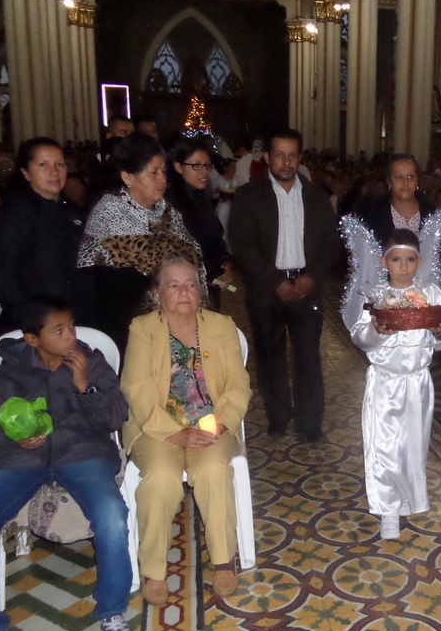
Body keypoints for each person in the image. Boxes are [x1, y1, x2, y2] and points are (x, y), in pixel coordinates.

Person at [0, 297, 135, 631]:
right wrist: (15, 438)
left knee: (112, 515)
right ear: (32, 339)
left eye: (72, 325)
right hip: (22, 459)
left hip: (81, 452)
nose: (71, 336)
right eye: (59, 330)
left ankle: (112, 612)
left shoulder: (90, 360)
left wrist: (85, 386)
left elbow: (116, 416)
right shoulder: (9, 372)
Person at [121, 258, 251, 605]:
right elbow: (136, 387)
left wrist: (221, 422)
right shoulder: (142, 329)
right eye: (173, 285)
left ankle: (223, 561)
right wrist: (174, 432)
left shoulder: (221, 326)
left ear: (201, 290)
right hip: (156, 427)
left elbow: (238, 384)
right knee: (161, 477)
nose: (183, 292)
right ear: (157, 292)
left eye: (191, 284)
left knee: (212, 469)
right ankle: (153, 570)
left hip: (211, 425)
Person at [227, 129, 337, 441]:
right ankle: (278, 416)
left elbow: (330, 243)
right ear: (267, 157)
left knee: (308, 356)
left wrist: (312, 277)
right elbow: (242, 243)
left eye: (292, 155)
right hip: (266, 288)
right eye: (279, 155)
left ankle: (309, 421)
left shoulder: (316, 196)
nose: (286, 162)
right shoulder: (249, 196)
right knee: (270, 354)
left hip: (306, 286)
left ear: (300, 158)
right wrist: (275, 281)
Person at [349, 229, 441, 540]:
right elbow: (360, 336)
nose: (403, 267)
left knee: (413, 445)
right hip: (386, 383)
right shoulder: (376, 296)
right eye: (396, 260)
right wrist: (377, 330)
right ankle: (388, 508)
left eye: (409, 260)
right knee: (385, 446)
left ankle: (408, 497)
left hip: (418, 383)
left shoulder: (431, 295)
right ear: (385, 262)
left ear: (418, 262)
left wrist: (440, 331)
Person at [77, 132, 202, 350]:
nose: (162, 179)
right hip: (127, 325)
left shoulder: (168, 212)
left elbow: (191, 255)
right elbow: (108, 285)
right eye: (153, 172)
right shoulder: (109, 214)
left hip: (175, 319)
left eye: (163, 171)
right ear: (128, 177)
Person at [0, 137, 85, 330]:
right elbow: (1, 278)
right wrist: (36, 320)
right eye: (43, 164)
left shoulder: (73, 211)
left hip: (75, 316)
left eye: (60, 164)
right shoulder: (14, 214)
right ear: (26, 173)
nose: (54, 172)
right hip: (35, 324)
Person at [165, 137, 231, 295]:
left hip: (210, 281)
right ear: (179, 167)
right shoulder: (170, 203)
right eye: (196, 166)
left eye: (207, 166)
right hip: (184, 286)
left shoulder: (201, 197)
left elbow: (215, 235)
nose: (204, 172)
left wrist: (225, 262)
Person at [359, 154, 435, 245]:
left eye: (410, 177)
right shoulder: (373, 217)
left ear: (417, 181)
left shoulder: (433, 216)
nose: (405, 182)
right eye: (399, 177)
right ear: (389, 182)